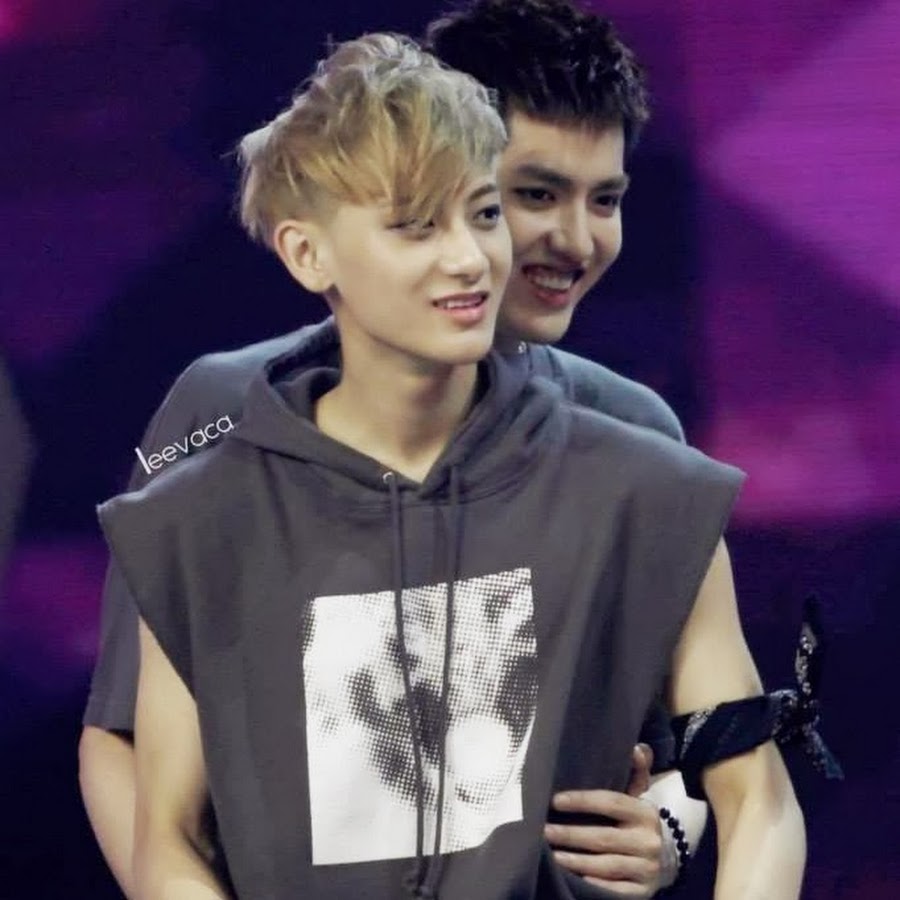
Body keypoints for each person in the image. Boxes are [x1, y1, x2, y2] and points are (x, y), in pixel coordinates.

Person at [96, 30, 804, 900]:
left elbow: (740, 791)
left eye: (484, 213)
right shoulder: (199, 503)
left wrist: (671, 833)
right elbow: (154, 811)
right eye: (416, 224)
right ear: (306, 253)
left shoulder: (649, 480)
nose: (471, 258)